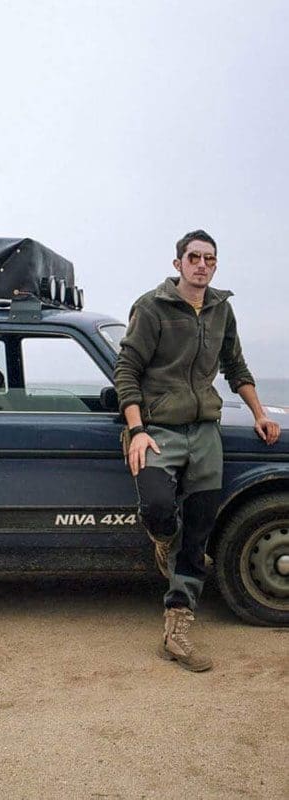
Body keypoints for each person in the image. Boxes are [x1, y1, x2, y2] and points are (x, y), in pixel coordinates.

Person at [113, 230, 281, 672]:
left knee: (199, 532)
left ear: (215, 265)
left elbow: (236, 366)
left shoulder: (221, 310)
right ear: (178, 264)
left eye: (209, 258)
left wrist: (260, 414)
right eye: (194, 257)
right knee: (158, 507)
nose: (202, 265)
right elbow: (126, 369)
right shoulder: (151, 307)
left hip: (205, 430)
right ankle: (164, 540)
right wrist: (137, 429)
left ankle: (177, 625)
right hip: (158, 430)